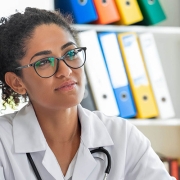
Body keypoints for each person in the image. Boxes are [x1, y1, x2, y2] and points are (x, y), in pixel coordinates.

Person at [0, 7, 175, 180]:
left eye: (70, 53)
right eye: (45, 61)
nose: (66, 70)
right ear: (17, 82)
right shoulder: (3, 141)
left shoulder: (122, 136)